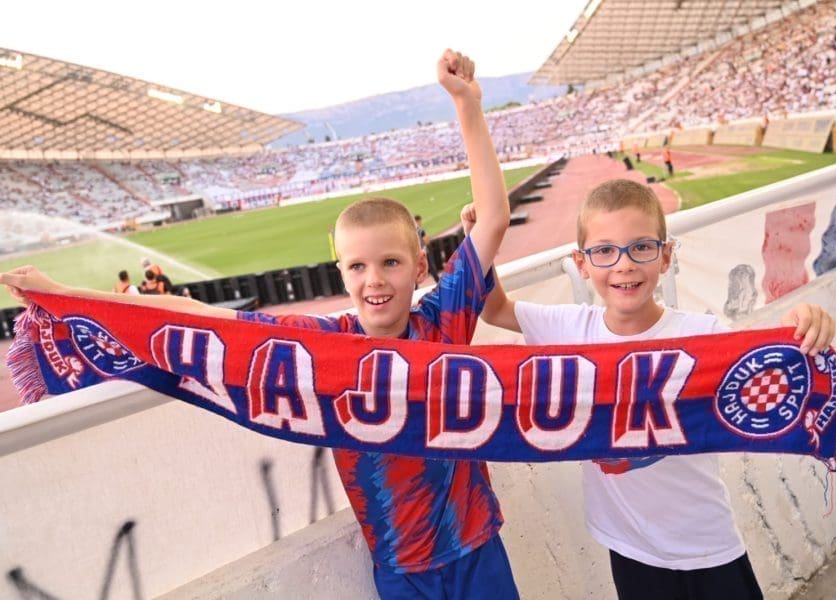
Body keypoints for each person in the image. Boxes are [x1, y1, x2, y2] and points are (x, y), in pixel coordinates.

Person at [2, 49, 518, 600]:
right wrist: (66, 296)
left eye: (390, 262)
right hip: (397, 566)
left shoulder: (442, 322)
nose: (375, 280)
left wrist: (467, 105)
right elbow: (201, 319)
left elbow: (493, 218)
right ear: (341, 274)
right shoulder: (319, 346)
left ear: (419, 267)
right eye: (358, 266)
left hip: (476, 546)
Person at [470, 178, 836, 600]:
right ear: (582, 263)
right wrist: (480, 238)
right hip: (631, 549)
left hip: (708, 543)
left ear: (665, 256)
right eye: (604, 251)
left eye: (641, 247)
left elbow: (764, 367)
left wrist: (805, 324)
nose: (624, 265)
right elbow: (494, 308)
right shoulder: (569, 327)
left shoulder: (702, 335)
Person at [414, 214, 442, 283]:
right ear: (418, 221)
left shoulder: (412, 231)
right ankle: (438, 281)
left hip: (416, 253)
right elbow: (426, 241)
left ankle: (416, 286)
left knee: (417, 269)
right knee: (431, 266)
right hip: (424, 251)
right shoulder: (421, 230)